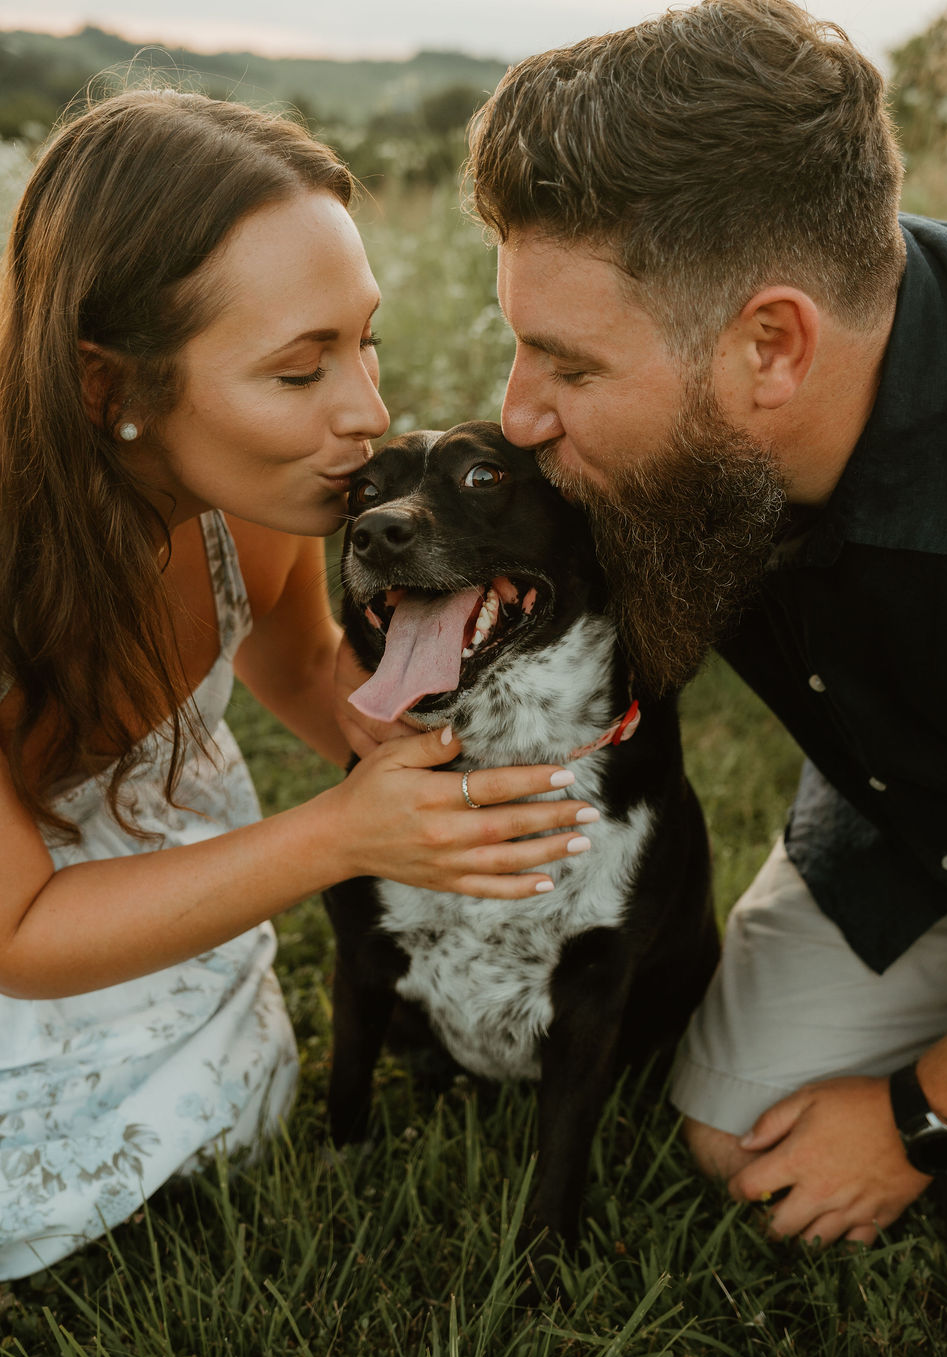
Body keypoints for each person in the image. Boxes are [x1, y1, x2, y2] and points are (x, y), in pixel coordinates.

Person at [0, 89, 599, 1280]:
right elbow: (19, 934)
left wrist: (418, 756)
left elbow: (300, 663)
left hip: (149, 883)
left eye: (363, 339)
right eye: (297, 371)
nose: (367, 413)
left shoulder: (251, 514)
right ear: (107, 389)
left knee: (239, 1106)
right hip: (33, 925)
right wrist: (342, 834)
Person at [466, 0, 947, 1266]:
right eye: (520, 349)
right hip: (915, 829)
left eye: (570, 367)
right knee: (744, 1144)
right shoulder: (656, 454)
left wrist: (921, 1111)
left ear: (771, 345)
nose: (521, 414)